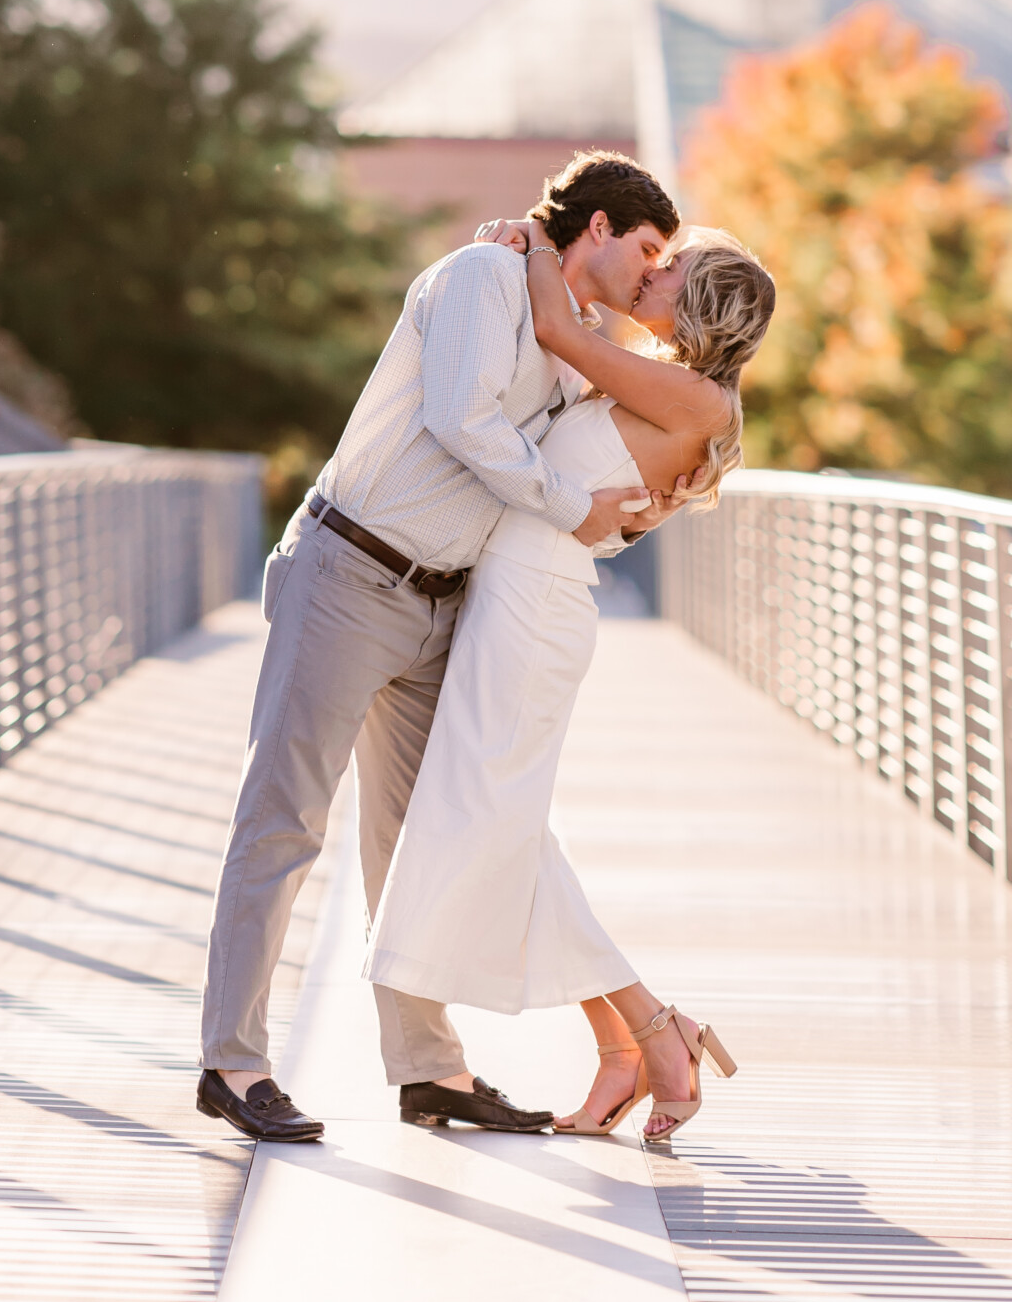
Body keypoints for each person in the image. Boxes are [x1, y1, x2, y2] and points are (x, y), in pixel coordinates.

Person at [197, 151, 702, 1144]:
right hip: (351, 571)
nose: (652, 275)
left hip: (443, 601)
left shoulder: (574, 332)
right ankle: (234, 1060)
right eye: (647, 250)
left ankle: (428, 1070)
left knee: (422, 838)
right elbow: (463, 420)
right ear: (597, 226)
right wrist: (573, 507)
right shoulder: (482, 277)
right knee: (285, 815)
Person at [364, 218, 775, 1143]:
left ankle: (648, 1034)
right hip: (510, 598)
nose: (651, 275)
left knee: (493, 823)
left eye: (670, 271)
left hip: (534, 608)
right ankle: (639, 1037)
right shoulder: (661, 383)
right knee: (505, 827)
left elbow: (556, 332)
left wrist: (538, 239)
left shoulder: (695, 402)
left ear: (699, 303)